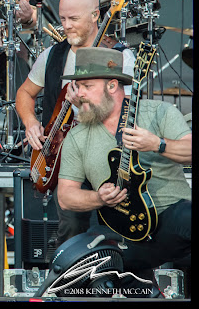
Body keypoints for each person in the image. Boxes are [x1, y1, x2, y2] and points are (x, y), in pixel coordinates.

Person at [16, 0, 136, 247]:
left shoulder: (119, 56)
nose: (66, 26)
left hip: (109, 153)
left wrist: (86, 101)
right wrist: (31, 123)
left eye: (74, 19)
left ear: (95, 16)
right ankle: (71, 285)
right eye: (62, 19)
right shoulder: (52, 55)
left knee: (115, 228)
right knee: (70, 227)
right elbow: (24, 93)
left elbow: (126, 106)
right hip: (67, 156)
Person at [57, 46, 191, 277]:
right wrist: (98, 197)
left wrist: (157, 144)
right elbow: (66, 196)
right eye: (78, 86)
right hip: (121, 231)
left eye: (88, 86)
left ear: (112, 86)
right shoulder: (77, 136)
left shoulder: (159, 113)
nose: (79, 94)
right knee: (83, 260)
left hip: (171, 218)